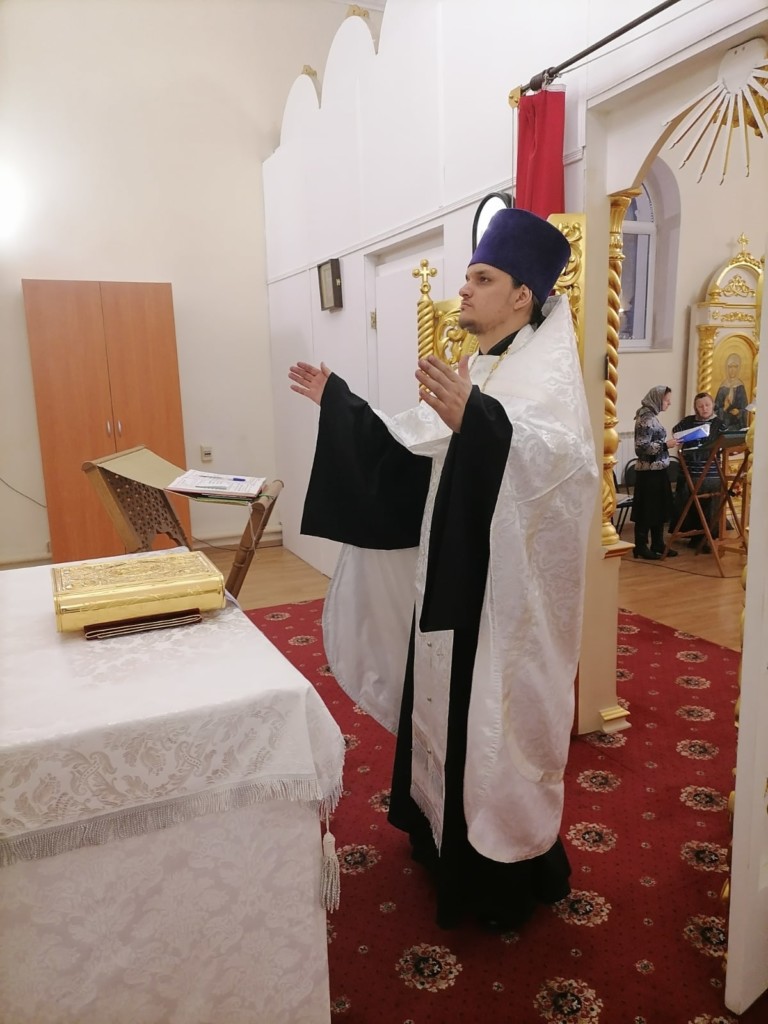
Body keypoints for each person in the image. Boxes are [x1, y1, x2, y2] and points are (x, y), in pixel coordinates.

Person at [288, 208, 598, 931]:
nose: (464, 291)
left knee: (489, 723)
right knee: (447, 711)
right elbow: (413, 451)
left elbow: (563, 470)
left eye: (481, 279)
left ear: (522, 295)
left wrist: (481, 423)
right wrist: (342, 404)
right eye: (466, 278)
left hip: (503, 603)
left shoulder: (546, 377)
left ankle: (496, 881)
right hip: (454, 580)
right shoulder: (484, 365)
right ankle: (439, 842)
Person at [671, 392, 725, 549]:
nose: (704, 408)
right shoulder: (688, 421)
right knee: (689, 506)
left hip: (711, 474)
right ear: (695, 408)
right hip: (689, 471)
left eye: (707, 405)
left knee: (710, 507)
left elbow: (724, 443)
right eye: (700, 406)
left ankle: (707, 538)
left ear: (713, 405)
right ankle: (693, 536)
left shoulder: (719, 424)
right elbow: (676, 433)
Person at [630, 385, 679, 559]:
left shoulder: (652, 416)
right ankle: (640, 546)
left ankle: (658, 543)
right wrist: (666, 445)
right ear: (657, 399)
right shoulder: (646, 417)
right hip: (649, 472)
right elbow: (642, 447)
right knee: (647, 509)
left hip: (658, 469)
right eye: (666, 400)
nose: (669, 403)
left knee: (658, 508)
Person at [714, 353, 749, 430]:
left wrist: (738, 412)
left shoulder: (740, 387)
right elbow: (715, 410)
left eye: (735, 367)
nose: (732, 370)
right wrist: (724, 408)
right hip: (722, 427)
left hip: (737, 427)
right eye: (730, 367)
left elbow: (745, 409)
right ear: (726, 368)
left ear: (739, 368)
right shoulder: (722, 387)